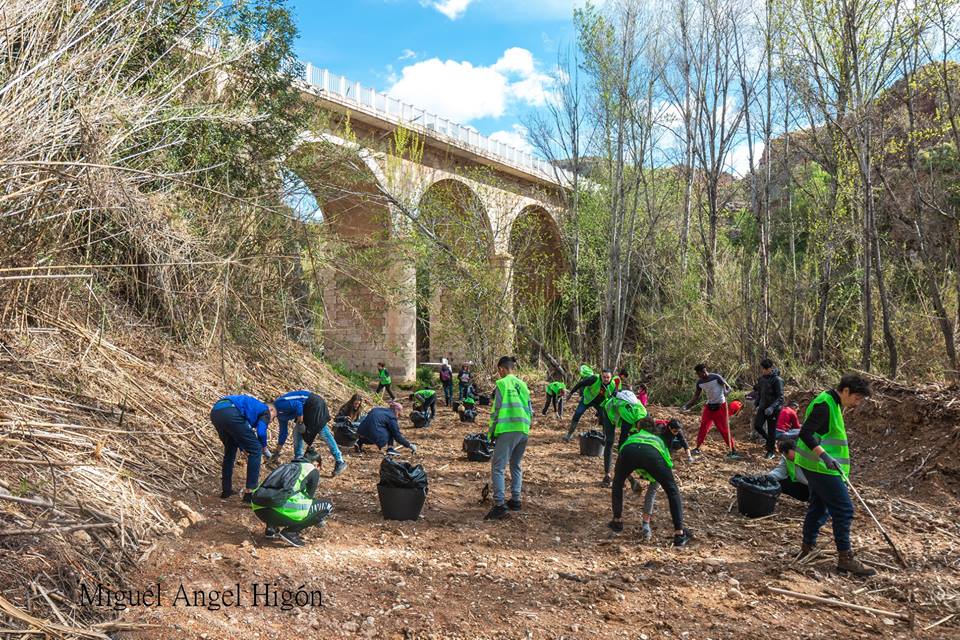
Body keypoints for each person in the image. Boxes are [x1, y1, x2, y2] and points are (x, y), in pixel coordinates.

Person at [794, 374, 875, 576]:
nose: (857, 403)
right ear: (846, 390)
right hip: (820, 467)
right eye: (857, 398)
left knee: (819, 507)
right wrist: (825, 456)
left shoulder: (834, 402)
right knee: (844, 509)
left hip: (818, 466)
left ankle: (807, 548)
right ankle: (845, 559)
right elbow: (805, 433)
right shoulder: (825, 404)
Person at [608, 416, 693, 547]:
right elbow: (668, 462)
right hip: (652, 455)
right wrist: (661, 477)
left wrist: (630, 479)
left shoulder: (632, 437)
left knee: (617, 484)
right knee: (672, 491)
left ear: (639, 429)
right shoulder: (658, 440)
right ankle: (679, 534)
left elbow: (620, 466)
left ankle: (617, 521)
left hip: (629, 450)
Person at [250, 449, 333, 548]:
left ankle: (271, 529)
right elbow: (310, 497)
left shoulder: (286, 465)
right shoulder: (312, 469)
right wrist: (317, 518)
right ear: (316, 464)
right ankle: (291, 532)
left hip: (258, 508)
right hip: (281, 511)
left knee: (281, 495)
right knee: (327, 505)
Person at [484, 356, 533, 520]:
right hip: (523, 429)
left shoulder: (502, 384)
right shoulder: (523, 385)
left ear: (501, 369)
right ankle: (516, 500)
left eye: (498, 371)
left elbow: (497, 411)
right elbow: (530, 409)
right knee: (515, 464)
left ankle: (499, 505)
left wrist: (491, 433)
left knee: (498, 467)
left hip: (507, 429)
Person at [209, 395, 275, 503]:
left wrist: (242, 447)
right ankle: (250, 493)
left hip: (216, 412)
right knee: (256, 449)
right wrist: (264, 447)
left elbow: (239, 433)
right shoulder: (265, 410)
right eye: (273, 418)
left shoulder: (252, 409)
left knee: (230, 450)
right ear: (271, 409)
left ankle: (226, 490)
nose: (271, 421)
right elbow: (261, 432)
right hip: (231, 411)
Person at [681, 363, 741, 460]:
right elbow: (696, 396)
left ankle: (733, 450)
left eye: (701, 373)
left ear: (704, 371)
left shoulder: (716, 377)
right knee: (703, 426)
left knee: (723, 429)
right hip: (709, 407)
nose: (701, 375)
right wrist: (686, 406)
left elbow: (729, 388)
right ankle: (697, 448)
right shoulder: (700, 382)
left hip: (721, 406)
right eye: (699, 374)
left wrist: (726, 392)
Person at [562, 366, 617, 441]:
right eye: (604, 377)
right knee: (578, 413)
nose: (606, 379)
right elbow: (580, 384)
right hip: (587, 400)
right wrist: (571, 393)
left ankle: (605, 438)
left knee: (604, 418)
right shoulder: (594, 379)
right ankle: (569, 434)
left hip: (600, 403)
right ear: (601, 375)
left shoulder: (613, 385)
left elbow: (614, 396)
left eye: (608, 377)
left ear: (611, 377)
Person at [752, 359, 785, 459]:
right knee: (757, 425)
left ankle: (770, 452)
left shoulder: (777, 380)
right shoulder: (761, 379)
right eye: (763, 369)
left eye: (765, 369)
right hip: (763, 407)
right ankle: (769, 440)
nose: (764, 371)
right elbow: (759, 393)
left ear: (770, 368)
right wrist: (756, 404)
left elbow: (780, 397)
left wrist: (772, 407)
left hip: (774, 410)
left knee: (771, 430)